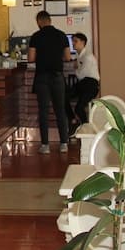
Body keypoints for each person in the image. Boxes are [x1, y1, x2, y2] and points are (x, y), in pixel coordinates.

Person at [28, 10, 70, 154]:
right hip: (57, 77)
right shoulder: (61, 35)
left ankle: (45, 146)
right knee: (60, 111)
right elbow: (68, 57)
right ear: (50, 20)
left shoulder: (36, 36)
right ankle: (64, 144)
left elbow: (31, 58)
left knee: (43, 111)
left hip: (42, 78)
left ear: (39, 21)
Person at [65, 32, 100, 129]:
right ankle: (73, 120)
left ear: (83, 42)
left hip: (91, 85)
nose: (73, 43)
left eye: (75, 41)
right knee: (63, 97)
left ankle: (86, 128)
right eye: (73, 41)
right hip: (83, 84)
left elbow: (81, 75)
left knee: (79, 108)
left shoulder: (88, 56)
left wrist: (76, 69)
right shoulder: (78, 55)